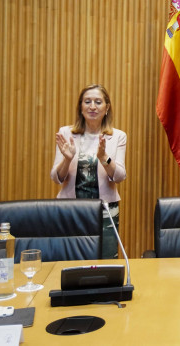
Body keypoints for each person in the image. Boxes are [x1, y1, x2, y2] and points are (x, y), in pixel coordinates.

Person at [50, 84, 127, 259]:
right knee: (68, 261)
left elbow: (120, 176)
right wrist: (67, 159)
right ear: (80, 107)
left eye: (98, 102)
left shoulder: (117, 136)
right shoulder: (66, 133)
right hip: (70, 209)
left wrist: (104, 158)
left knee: (106, 262)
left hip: (105, 212)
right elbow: (56, 177)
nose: (92, 106)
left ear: (106, 108)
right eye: (87, 101)